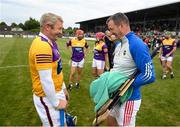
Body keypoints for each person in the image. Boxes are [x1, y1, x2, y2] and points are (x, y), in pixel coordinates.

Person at [106, 12, 155, 126]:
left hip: (129, 99)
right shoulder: (119, 44)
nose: (110, 32)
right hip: (115, 95)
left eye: (112, 29)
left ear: (121, 26)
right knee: (110, 122)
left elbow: (149, 75)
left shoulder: (136, 44)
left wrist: (125, 84)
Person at [29, 13, 68, 126]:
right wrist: (56, 103)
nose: (61, 32)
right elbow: (45, 79)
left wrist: (63, 88)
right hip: (47, 97)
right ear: (47, 27)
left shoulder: (51, 43)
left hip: (55, 91)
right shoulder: (42, 46)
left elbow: (57, 70)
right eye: (59, 28)